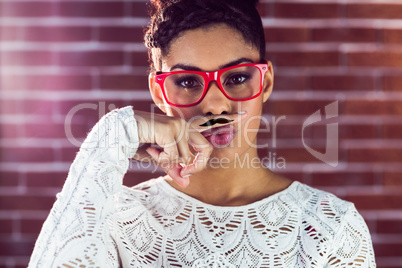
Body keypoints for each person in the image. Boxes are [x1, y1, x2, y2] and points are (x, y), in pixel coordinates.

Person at [29, 0, 376, 267]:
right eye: (187, 81)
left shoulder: (329, 226)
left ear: (265, 81)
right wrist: (116, 132)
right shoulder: (117, 218)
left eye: (237, 77)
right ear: (158, 91)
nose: (214, 105)